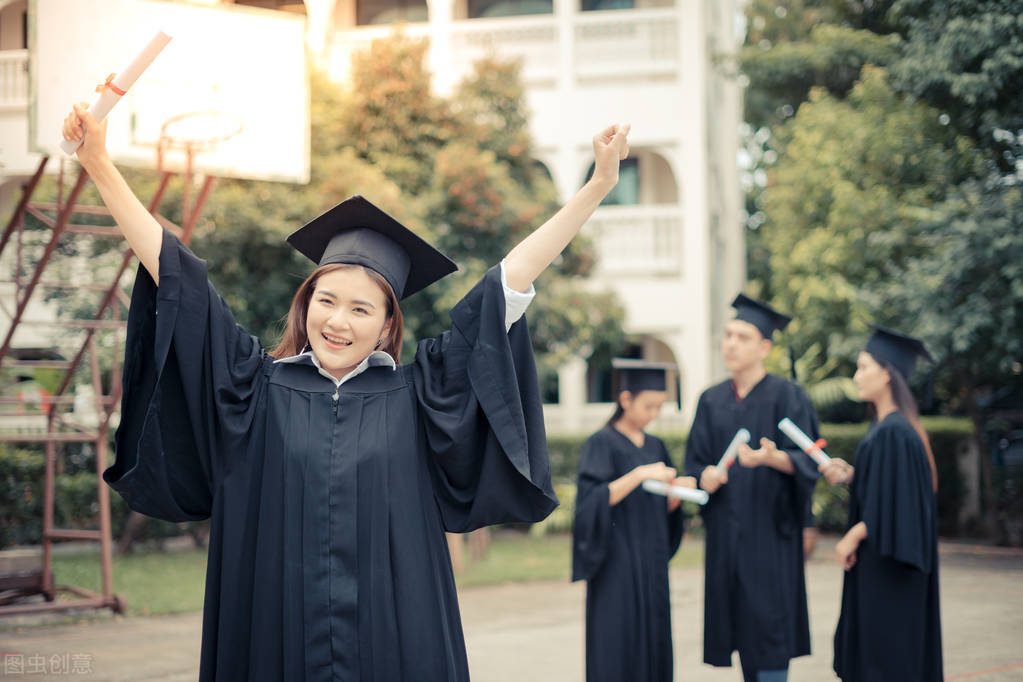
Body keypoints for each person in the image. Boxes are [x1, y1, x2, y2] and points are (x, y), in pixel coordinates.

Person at [61, 102, 631, 681]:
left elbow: (506, 287)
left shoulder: (420, 396)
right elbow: (177, 277)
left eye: (361, 309)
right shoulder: (252, 390)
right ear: (306, 304)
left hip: (395, 642)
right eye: (326, 301)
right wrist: (99, 162)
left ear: (386, 325)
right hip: (274, 636)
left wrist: (596, 187)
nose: (337, 321)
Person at [683, 294, 820, 682]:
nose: (731, 344)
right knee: (739, 630)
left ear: (764, 348)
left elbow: (811, 460)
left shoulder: (789, 396)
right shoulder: (711, 400)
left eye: (742, 337)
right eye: (728, 335)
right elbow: (694, 465)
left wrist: (774, 459)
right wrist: (705, 477)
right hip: (726, 539)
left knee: (771, 633)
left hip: (772, 539)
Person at [820, 326, 943, 681]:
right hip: (882, 566)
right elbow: (891, 486)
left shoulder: (894, 431)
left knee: (885, 661)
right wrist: (853, 475)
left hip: (890, 572)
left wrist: (854, 534)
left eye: (863, 367)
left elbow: (903, 505)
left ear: (887, 373)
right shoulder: (889, 427)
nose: (856, 377)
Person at [572, 358, 695, 682]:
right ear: (625, 399)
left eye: (659, 407)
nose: (654, 414)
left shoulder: (656, 445)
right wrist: (639, 474)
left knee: (654, 640)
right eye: (648, 406)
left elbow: (661, 508)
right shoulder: (600, 443)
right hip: (616, 564)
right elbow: (590, 503)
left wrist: (674, 497)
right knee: (618, 643)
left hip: (652, 561)